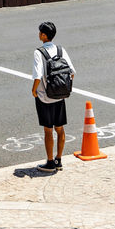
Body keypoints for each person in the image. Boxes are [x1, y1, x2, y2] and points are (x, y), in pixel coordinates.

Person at [32, 20, 75, 173]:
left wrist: (34, 90)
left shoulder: (39, 52)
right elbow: (72, 72)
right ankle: (59, 160)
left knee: (48, 130)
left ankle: (50, 162)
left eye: (40, 32)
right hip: (60, 96)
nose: (39, 34)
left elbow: (37, 75)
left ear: (44, 35)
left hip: (45, 97)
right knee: (60, 128)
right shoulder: (60, 50)